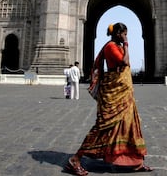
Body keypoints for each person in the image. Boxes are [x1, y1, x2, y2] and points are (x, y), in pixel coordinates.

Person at [64, 23, 152, 175]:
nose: (126, 35)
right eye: (124, 33)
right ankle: (75, 159)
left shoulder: (116, 46)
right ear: (118, 33)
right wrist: (126, 43)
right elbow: (124, 62)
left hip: (124, 93)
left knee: (129, 124)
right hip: (114, 93)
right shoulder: (111, 47)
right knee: (103, 127)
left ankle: (136, 161)